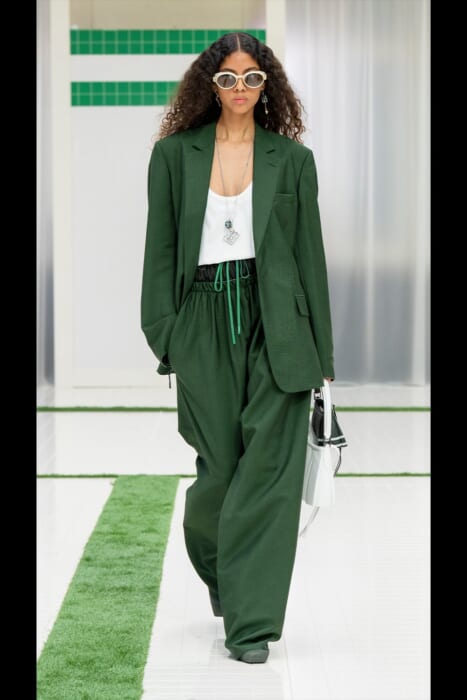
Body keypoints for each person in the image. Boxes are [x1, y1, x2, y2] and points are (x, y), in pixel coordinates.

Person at [141, 31, 334, 664]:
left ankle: (251, 628)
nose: (241, 89)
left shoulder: (292, 160)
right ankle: (223, 569)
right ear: (211, 85)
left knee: (269, 477)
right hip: (200, 319)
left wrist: (324, 360)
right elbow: (159, 250)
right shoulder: (174, 156)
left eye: (253, 77)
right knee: (220, 477)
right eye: (229, 78)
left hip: (278, 326)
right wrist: (166, 334)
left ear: (267, 84)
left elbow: (311, 259)